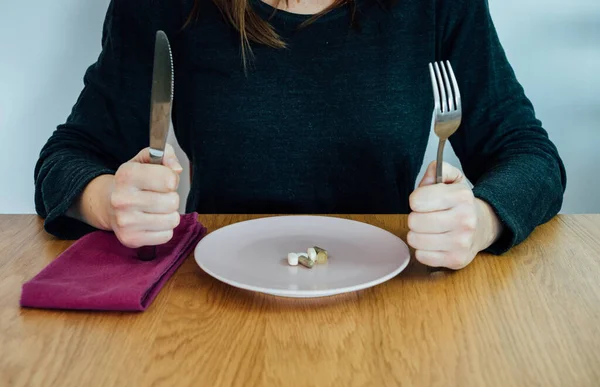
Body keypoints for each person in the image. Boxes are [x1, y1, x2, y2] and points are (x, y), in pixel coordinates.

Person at [34, 0, 567, 270]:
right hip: (211, 302)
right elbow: (67, 158)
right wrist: (109, 201)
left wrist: (480, 221)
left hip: (396, 299)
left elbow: (530, 155)